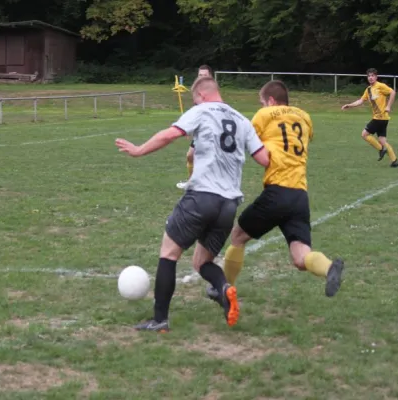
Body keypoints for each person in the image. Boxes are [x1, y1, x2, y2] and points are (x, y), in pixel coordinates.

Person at [115, 77, 270, 332]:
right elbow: (264, 159)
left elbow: (170, 134)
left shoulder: (201, 110)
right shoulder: (243, 120)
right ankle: (224, 288)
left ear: (200, 94)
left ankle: (160, 320)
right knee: (201, 262)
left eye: (194, 98)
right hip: (229, 204)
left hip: (202, 197)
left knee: (169, 253)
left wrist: (139, 150)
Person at [206, 80, 344, 304]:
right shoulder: (305, 116)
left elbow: (246, 139)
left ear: (270, 101)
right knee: (301, 258)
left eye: (262, 102)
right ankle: (329, 268)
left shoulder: (265, 114)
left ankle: (223, 289)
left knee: (238, 236)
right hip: (299, 195)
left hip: (277, 191)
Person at [341, 68, 398, 167]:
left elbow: (392, 92)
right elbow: (360, 101)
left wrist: (388, 106)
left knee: (364, 134)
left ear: (376, 77)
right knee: (382, 140)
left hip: (380, 118)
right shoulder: (368, 90)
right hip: (382, 119)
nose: (370, 78)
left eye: (372, 76)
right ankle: (394, 160)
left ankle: (381, 149)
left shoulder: (380, 86)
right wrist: (350, 105)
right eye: (369, 76)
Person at [176, 64, 214, 190]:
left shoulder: (212, 91)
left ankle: (206, 184)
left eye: (205, 75)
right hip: (201, 130)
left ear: (210, 77)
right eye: (200, 75)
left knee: (206, 158)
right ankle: (193, 183)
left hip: (211, 131)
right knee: (190, 156)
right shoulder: (197, 90)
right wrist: (188, 127)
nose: (202, 78)